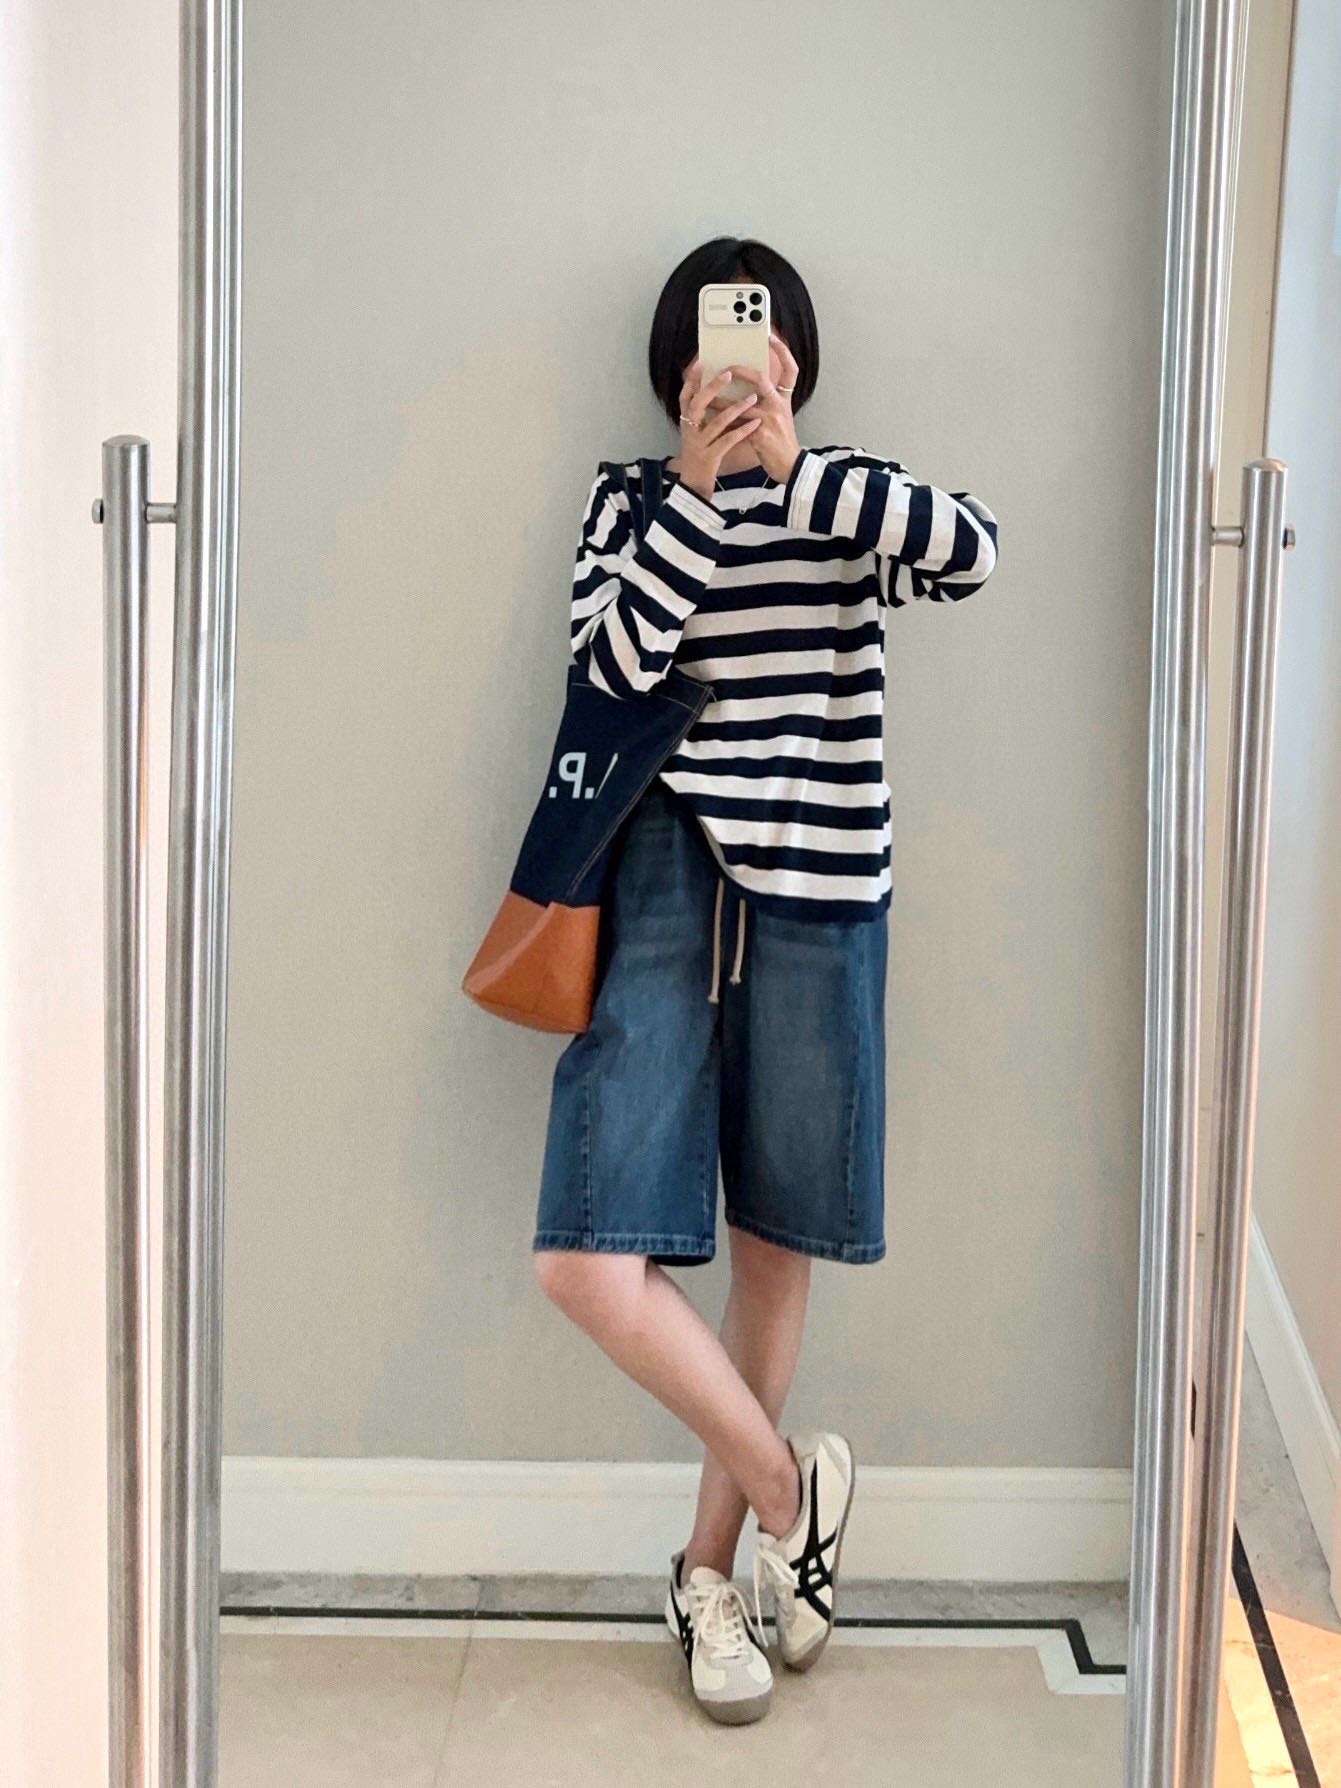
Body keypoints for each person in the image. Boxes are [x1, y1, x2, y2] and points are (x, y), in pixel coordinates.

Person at [531, 237, 999, 1724]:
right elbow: (611, 667)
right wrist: (692, 486)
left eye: (754, 337)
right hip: (665, 889)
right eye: (709, 340)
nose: (731, 363)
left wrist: (793, 469)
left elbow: (971, 553)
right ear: (673, 362)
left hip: (820, 892)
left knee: (774, 1251)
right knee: (586, 1258)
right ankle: (795, 1496)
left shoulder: (844, 493)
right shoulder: (632, 499)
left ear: (791, 354)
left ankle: (705, 1578)